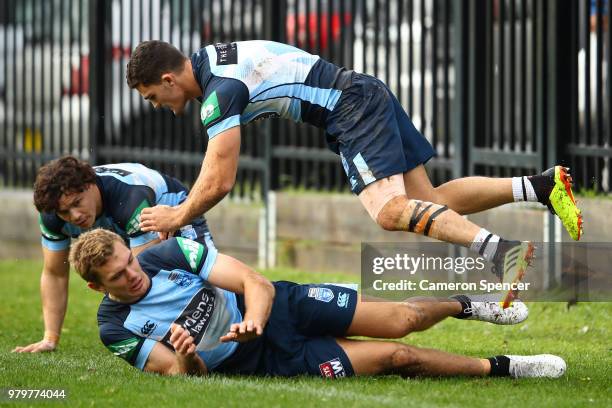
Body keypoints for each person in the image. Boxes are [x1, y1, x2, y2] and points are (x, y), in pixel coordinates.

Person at [126, 40, 582, 300]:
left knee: (389, 211)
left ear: (168, 79)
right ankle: (541, 186)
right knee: (433, 202)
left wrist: (178, 215)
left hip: (350, 109)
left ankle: (502, 253)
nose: (161, 108)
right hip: (362, 92)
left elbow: (220, 179)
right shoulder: (210, 61)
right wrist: (180, 212)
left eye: (153, 97)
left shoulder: (218, 93)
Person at [68, 228, 566, 379]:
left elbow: (254, 282)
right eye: (119, 276)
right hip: (263, 361)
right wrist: (187, 353)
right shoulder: (116, 327)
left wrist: (254, 322)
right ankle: (505, 368)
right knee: (398, 358)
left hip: (281, 307)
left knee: (404, 319)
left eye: (129, 261)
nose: (133, 274)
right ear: (97, 286)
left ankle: (464, 303)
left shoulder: (167, 253)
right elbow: (183, 378)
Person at [12, 156, 213, 354]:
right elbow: (55, 273)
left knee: (197, 279)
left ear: (90, 185)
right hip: (124, 225)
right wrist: (50, 338)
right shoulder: (52, 214)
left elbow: (148, 271)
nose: (75, 216)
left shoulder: (129, 198)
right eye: (65, 212)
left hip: (172, 210)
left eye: (77, 203)